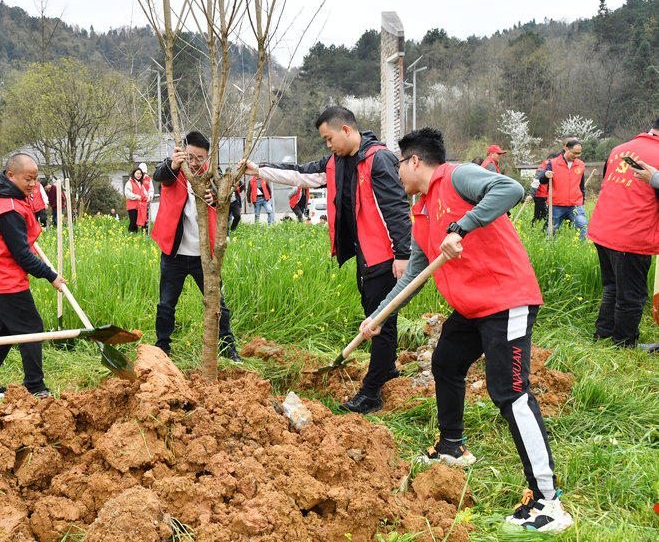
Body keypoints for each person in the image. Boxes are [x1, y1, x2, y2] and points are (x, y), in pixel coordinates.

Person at [358, 127, 572, 534]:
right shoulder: (419, 212)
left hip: (505, 299)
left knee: (510, 393)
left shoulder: (456, 177)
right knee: (447, 363)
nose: (396, 175)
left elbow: (509, 189)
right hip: (471, 307)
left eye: (398, 166)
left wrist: (462, 226)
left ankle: (548, 501)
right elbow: (414, 275)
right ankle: (451, 447)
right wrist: (381, 314)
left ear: (414, 161)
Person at [242, 106, 411, 413]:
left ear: (346, 130)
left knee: (379, 323)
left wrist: (403, 253)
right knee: (378, 319)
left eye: (329, 138)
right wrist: (260, 170)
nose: (328, 145)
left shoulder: (378, 159)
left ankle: (372, 392)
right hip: (364, 255)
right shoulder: (336, 162)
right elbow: (301, 173)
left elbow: (397, 208)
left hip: (385, 257)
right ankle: (387, 371)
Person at [0, 153, 66, 400]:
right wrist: (50, 275)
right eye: (28, 179)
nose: (33, 184)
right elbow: (22, 255)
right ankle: (35, 388)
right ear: (11, 175)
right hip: (4, 280)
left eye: (36, 178)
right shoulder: (8, 209)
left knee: (4, 330)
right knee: (32, 328)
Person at [151, 131, 242, 362]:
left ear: (208, 156)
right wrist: (174, 163)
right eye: (190, 156)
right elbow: (159, 175)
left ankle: (228, 346)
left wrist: (218, 199)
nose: (194, 162)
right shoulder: (173, 168)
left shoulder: (213, 175)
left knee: (217, 303)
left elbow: (230, 200)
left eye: (199, 158)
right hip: (174, 254)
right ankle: (162, 348)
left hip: (205, 256)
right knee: (166, 305)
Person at [588, 118, 659, 352]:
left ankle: (603, 334)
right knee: (632, 295)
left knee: (613, 287)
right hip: (632, 235)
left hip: (604, 229)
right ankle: (625, 344)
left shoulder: (620, 149)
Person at [540, 137, 587, 239]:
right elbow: (542, 180)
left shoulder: (581, 164)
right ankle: (549, 249)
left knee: (583, 227)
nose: (576, 156)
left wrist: (582, 200)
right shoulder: (553, 163)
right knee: (553, 229)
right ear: (566, 149)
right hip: (557, 204)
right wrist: (545, 174)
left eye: (579, 153)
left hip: (576, 204)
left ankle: (583, 249)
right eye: (574, 153)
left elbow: (581, 185)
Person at [526, 151, 563, 227]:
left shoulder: (549, 167)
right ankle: (533, 228)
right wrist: (532, 194)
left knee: (545, 216)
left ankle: (541, 229)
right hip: (540, 196)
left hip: (547, 195)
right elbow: (535, 182)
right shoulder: (542, 168)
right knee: (538, 216)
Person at [125, 166, 150, 233]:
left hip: (139, 206)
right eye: (137, 173)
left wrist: (147, 198)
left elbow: (145, 193)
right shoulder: (129, 183)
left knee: (137, 223)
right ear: (134, 174)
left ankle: (134, 236)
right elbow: (127, 194)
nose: (139, 175)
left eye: (140, 174)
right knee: (133, 222)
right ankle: (130, 235)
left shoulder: (141, 184)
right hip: (132, 206)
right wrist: (137, 197)